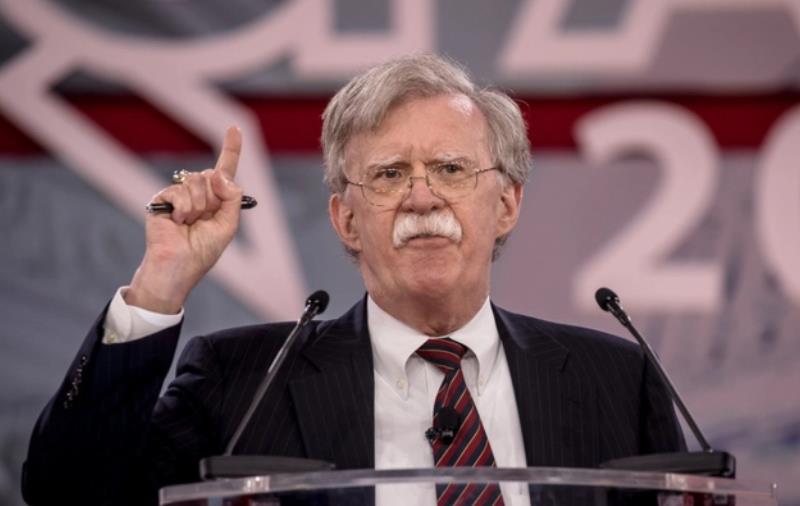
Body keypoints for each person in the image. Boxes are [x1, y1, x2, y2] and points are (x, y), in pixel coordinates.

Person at [22, 54, 685, 506]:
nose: (422, 197)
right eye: (389, 175)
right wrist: (159, 284)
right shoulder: (241, 383)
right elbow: (69, 493)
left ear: (506, 203)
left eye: (451, 169)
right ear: (346, 220)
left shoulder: (616, 382)